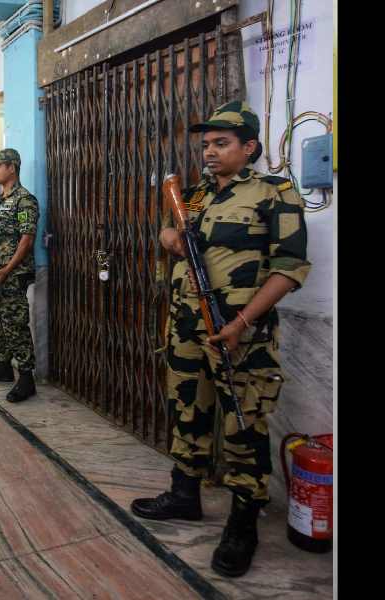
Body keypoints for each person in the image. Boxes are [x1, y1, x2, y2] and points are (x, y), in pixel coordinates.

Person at [130, 102, 312, 578]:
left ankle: (243, 523)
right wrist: (169, 236)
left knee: (243, 425)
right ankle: (184, 494)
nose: (209, 152)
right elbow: (174, 239)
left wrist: (243, 322)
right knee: (187, 410)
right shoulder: (192, 196)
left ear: (248, 147)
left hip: (240, 337)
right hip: (188, 329)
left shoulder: (275, 194)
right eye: (206, 144)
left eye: (221, 143)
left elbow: (290, 269)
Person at [0, 148, 39, 403]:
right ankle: (3, 366)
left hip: (13, 273)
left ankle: (26, 377)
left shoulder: (25, 200)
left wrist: (8, 268)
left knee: (15, 323)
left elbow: (27, 239)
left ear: (12, 168)